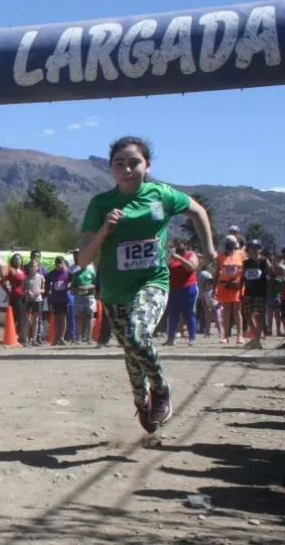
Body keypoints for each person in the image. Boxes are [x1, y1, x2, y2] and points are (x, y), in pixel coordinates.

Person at [77, 137, 215, 438]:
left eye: (134, 162)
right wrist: (104, 231)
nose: (127, 169)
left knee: (136, 334)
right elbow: (83, 258)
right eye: (119, 164)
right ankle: (141, 402)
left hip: (153, 282)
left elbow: (197, 211)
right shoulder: (101, 204)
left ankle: (160, 388)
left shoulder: (161, 194)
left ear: (147, 165)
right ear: (111, 168)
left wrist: (209, 250)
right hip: (115, 291)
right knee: (132, 351)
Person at [165, 239, 199, 346]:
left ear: (185, 245)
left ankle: (192, 338)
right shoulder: (172, 255)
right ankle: (171, 339)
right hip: (174, 288)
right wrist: (169, 258)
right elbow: (166, 268)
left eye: (179, 244)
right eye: (175, 245)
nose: (177, 247)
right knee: (173, 313)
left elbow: (192, 267)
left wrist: (179, 258)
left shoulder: (191, 254)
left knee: (188, 313)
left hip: (188, 287)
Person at [241, 239, 272, 349]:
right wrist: (241, 290)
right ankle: (256, 338)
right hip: (248, 292)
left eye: (256, 247)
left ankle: (257, 339)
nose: (253, 250)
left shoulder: (264, 261)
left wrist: (270, 291)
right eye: (251, 248)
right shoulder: (246, 262)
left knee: (260, 315)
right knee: (247, 314)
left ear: (260, 249)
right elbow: (243, 277)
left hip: (261, 292)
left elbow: (270, 276)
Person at [215, 235, 246, 345]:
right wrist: (214, 287)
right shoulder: (220, 256)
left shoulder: (241, 255)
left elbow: (245, 270)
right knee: (226, 311)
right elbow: (217, 272)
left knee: (237, 311)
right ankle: (225, 336)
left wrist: (241, 283)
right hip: (224, 286)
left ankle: (239, 336)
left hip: (237, 286)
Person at [1, 253, 28, 346]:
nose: (18, 261)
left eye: (19, 259)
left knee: (21, 317)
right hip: (15, 297)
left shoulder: (23, 271)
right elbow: (2, 282)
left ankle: (15, 336)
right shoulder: (10, 270)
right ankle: (22, 338)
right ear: (12, 261)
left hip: (24, 297)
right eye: (16, 259)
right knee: (19, 318)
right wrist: (8, 292)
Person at [70, 254, 97, 344]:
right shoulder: (76, 274)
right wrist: (79, 289)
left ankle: (89, 338)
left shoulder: (92, 272)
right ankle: (79, 338)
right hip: (79, 298)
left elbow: (96, 284)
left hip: (90, 297)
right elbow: (72, 287)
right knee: (80, 317)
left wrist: (89, 287)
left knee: (90, 317)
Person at [46, 257, 72, 345]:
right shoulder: (52, 274)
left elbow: (74, 282)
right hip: (55, 299)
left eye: (61, 264)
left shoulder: (68, 273)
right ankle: (56, 337)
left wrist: (70, 288)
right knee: (56, 319)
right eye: (57, 264)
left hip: (64, 299)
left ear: (64, 264)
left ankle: (61, 337)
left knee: (63, 318)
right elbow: (46, 283)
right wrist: (47, 292)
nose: (59, 266)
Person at [25, 260, 45, 347]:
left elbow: (43, 289)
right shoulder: (26, 278)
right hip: (29, 301)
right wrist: (27, 292)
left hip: (37, 300)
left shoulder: (41, 277)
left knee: (36, 320)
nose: (32, 268)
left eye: (34, 266)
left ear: (37, 267)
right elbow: (22, 290)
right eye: (31, 266)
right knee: (28, 319)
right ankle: (26, 339)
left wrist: (38, 292)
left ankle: (34, 339)